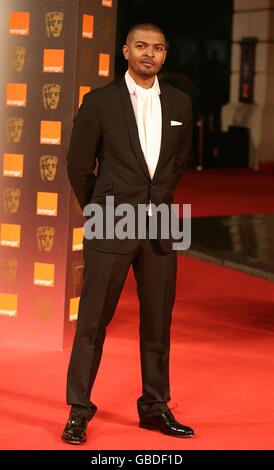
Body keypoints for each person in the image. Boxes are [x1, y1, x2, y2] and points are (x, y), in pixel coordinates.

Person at [61, 23, 194, 444]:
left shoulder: (181, 103)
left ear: (165, 55)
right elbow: (78, 166)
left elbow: (177, 165)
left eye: (156, 48)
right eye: (140, 46)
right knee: (93, 323)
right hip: (110, 224)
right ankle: (79, 410)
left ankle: (155, 406)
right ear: (125, 51)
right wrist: (100, 211)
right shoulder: (99, 102)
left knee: (158, 322)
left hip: (160, 227)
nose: (148, 54)